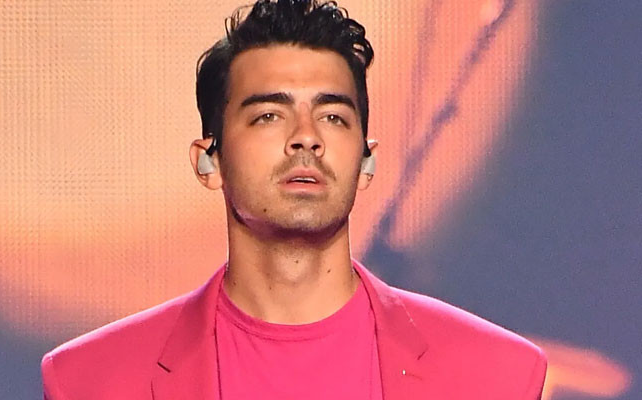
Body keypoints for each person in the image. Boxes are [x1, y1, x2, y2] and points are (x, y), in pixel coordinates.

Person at [41, 1, 547, 399]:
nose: (306, 137)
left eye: (333, 117)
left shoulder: (497, 375)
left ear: (366, 162)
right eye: (269, 115)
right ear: (209, 162)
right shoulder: (89, 381)